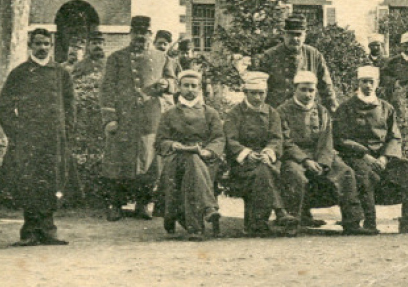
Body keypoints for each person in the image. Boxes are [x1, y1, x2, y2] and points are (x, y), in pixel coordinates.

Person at [0, 28, 79, 246]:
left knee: (53, 182)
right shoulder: (20, 72)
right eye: (38, 44)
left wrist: (66, 132)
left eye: (46, 44)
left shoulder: (61, 73)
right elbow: (4, 106)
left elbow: (70, 106)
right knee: (29, 182)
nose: (42, 48)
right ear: (30, 46)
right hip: (28, 140)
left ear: (51, 46)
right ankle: (30, 231)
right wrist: (17, 132)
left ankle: (49, 230)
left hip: (54, 140)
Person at [334, 66, 408, 234]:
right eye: (364, 82)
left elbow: (394, 136)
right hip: (357, 157)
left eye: (371, 82)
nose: (368, 86)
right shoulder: (346, 108)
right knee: (365, 177)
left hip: (383, 157)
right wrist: (364, 154)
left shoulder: (386, 108)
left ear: (377, 84)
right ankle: (369, 223)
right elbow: (340, 138)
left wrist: (385, 157)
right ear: (358, 83)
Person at [100, 15, 174, 221]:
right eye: (137, 32)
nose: (141, 36)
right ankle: (115, 204)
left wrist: (167, 84)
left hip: (150, 118)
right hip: (123, 118)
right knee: (118, 160)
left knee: (149, 162)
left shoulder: (162, 57)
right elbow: (106, 89)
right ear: (130, 34)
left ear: (151, 34)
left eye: (145, 32)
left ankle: (144, 203)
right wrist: (110, 117)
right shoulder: (116, 58)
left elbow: (173, 79)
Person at [277, 70, 365, 235]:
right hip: (295, 157)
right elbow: (285, 141)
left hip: (320, 155)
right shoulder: (283, 111)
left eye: (311, 90)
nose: (308, 94)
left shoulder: (321, 111)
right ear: (294, 89)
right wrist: (305, 160)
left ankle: (352, 222)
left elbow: (326, 140)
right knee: (294, 175)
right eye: (303, 89)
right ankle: (292, 222)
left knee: (345, 172)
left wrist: (323, 162)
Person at [154, 70, 224, 241]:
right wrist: (173, 145)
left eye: (194, 86)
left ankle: (195, 227)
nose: (190, 90)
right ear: (179, 87)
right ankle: (208, 209)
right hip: (176, 159)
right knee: (190, 159)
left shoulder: (210, 113)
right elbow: (160, 141)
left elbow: (219, 138)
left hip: (205, 160)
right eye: (186, 86)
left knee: (193, 161)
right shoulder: (169, 114)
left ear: (199, 88)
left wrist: (208, 151)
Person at [223, 71, 295, 235]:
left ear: (266, 93)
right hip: (242, 165)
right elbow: (230, 140)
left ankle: (257, 223)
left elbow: (277, 138)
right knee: (263, 171)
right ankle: (279, 211)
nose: (257, 97)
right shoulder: (235, 114)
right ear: (245, 93)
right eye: (253, 93)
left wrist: (268, 151)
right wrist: (247, 153)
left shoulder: (272, 113)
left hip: (267, 160)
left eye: (261, 93)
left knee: (263, 169)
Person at [256, 16, 339, 112]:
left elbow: (326, 87)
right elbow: (259, 89)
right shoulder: (269, 56)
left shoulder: (314, 55)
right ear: (284, 35)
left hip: (306, 113)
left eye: (298, 34)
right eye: (291, 34)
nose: (295, 38)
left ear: (305, 35)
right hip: (277, 113)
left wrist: (334, 112)